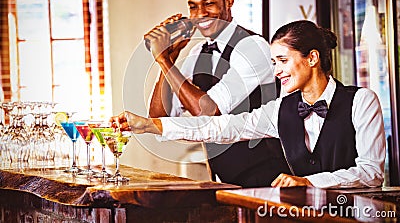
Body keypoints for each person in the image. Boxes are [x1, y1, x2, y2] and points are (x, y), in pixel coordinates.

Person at [113, 20, 386, 188]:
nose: (277, 71)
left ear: (312, 58)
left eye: (282, 61)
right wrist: (149, 125)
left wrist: (308, 182)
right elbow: (219, 127)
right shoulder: (281, 108)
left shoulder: (361, 101)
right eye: (273, 62)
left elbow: (371, 173)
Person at [144, 0, 290, 188]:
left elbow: (209, 111)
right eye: (193, 6)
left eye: (208, 3)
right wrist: (166, 61)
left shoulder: (253, 47)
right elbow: (158, 118)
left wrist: (164, 61)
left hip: (271, 178)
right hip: (226, 181)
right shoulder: (195, 54)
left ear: (228, 1)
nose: (200, 13)